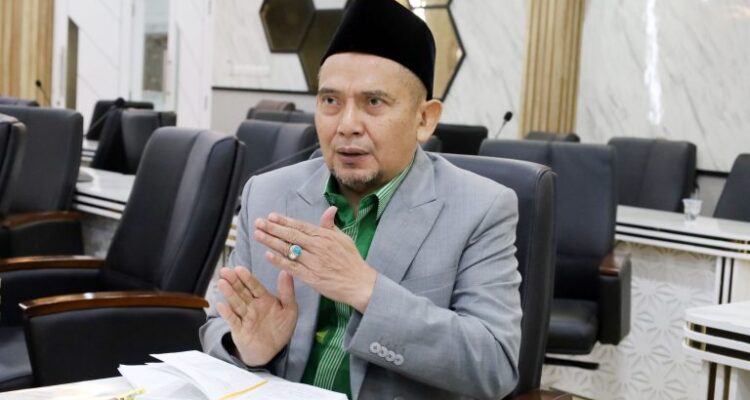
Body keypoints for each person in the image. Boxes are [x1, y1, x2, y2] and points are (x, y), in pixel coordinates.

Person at [200, 0, 522, 398]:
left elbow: (495, 366)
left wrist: (366, 289)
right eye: (330, 101)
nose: (347, 125)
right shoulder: (267, 193)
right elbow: (219, 321)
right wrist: (247, 349)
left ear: (424, 119)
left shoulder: (480, 209)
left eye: (374, 102)